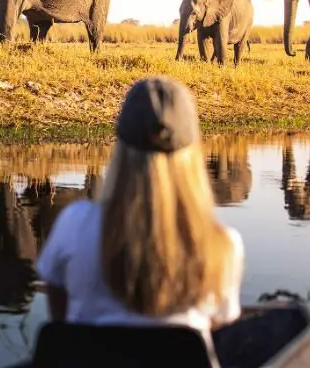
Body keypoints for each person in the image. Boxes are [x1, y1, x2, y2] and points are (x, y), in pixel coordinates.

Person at [35, 76, 245, 350]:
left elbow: (61, 320)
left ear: (120, 146)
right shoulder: (223, 245)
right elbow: (220, 336)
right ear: (193, 150)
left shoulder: (74, 225)